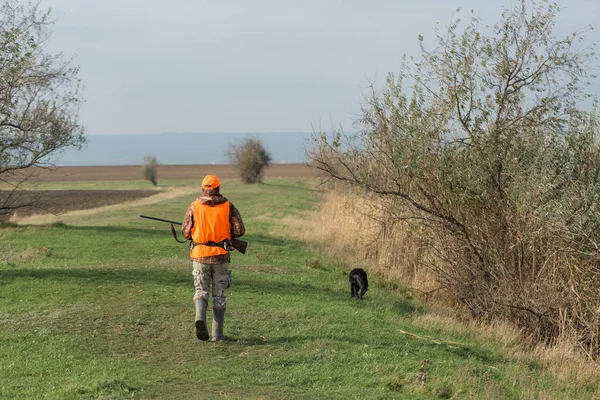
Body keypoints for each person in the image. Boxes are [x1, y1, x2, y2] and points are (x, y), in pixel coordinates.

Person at [182, 174, 245, 341]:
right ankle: (218, 335)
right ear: (218, 188)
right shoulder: (228, 206)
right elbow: (239, 230)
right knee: (219, 296)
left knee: (201, 291)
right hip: (221, 257)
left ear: (203, 189)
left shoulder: (194, 206)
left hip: (200, 256)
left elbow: (186, 232)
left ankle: (199, 318)